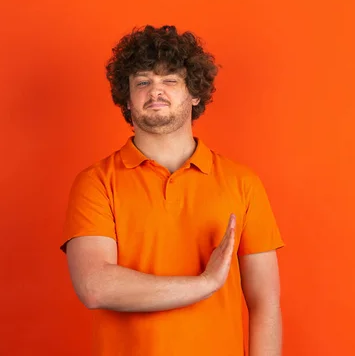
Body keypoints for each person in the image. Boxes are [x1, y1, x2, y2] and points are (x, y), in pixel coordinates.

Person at [60, 25, 285, 356]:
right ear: (127, 97)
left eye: (169, 81)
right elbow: (95, 286)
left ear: (194, 93)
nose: (155, 91)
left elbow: (265, 303)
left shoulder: (242, 182)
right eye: (143, 82)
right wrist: (205, 284)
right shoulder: (96, 182)